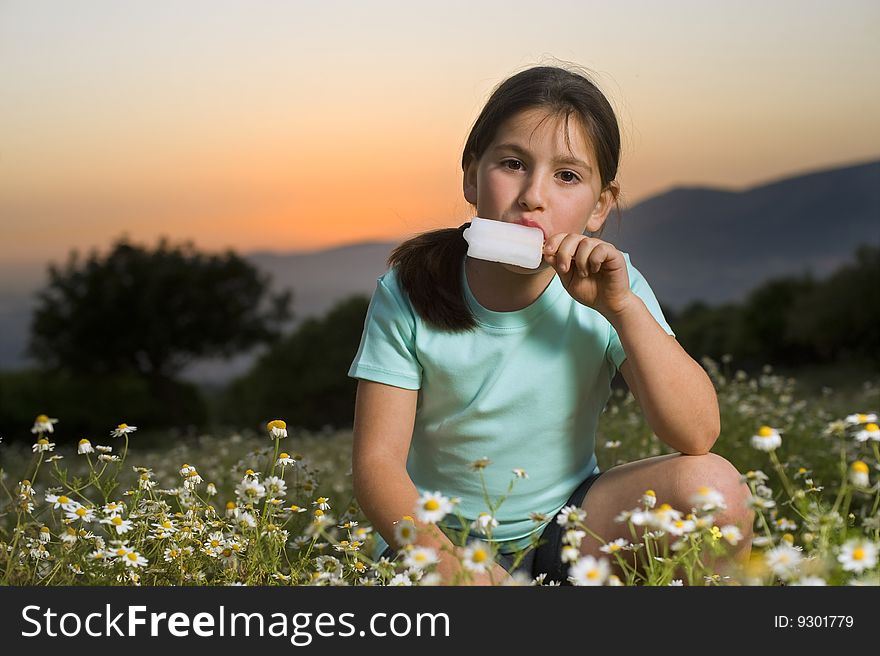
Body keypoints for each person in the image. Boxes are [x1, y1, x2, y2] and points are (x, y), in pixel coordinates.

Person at [348, 64, 753, 585]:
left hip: (570, 526)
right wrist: (462, 572)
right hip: (440, 543)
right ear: (471, 176)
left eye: (567, 176)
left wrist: (621, 310)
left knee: (716, 487)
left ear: (599, 206)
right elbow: (376, 468)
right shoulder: (406, 292)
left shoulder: (616, 288)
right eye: (513, 164)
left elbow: (698, 432)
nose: (533, 195)